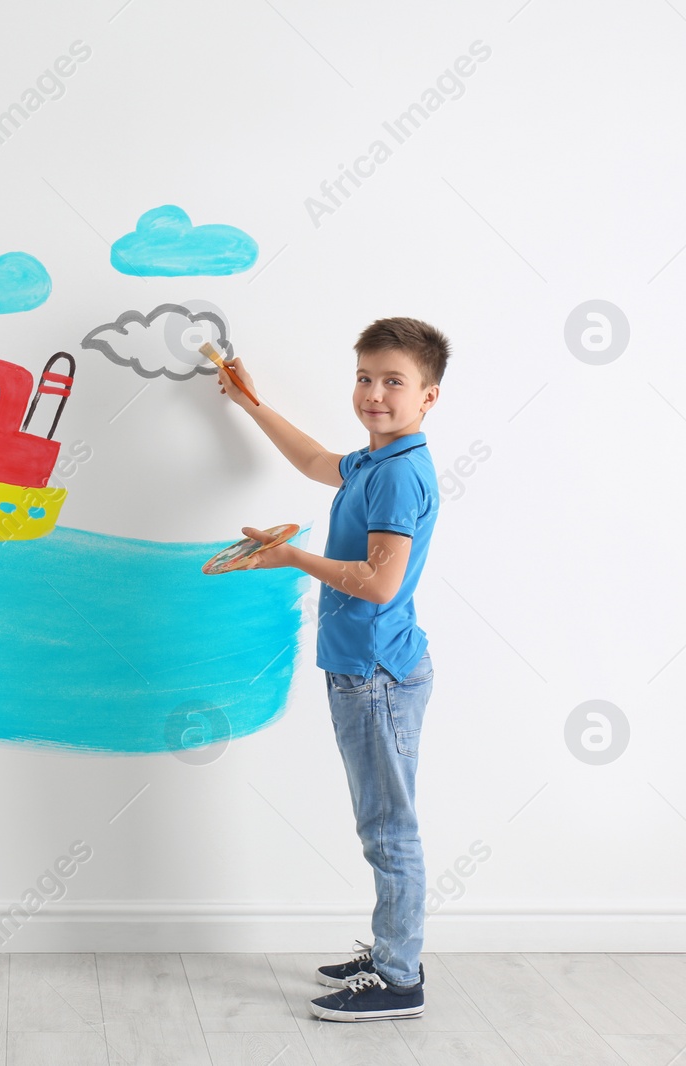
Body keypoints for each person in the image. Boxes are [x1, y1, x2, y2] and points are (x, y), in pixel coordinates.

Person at [218, 316, 447, 1021]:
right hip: (365, 667)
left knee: (388, 828)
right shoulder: (376, 461)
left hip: (377, 673)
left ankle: (398, 980)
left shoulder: (399, 476)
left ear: (428, 397)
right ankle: (388, 953)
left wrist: (290, 557)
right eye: (365, 378)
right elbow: (317, 461)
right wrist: (250, 404)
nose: (374, 393)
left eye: (393, 382)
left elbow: (379, 583)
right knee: (382, 821)